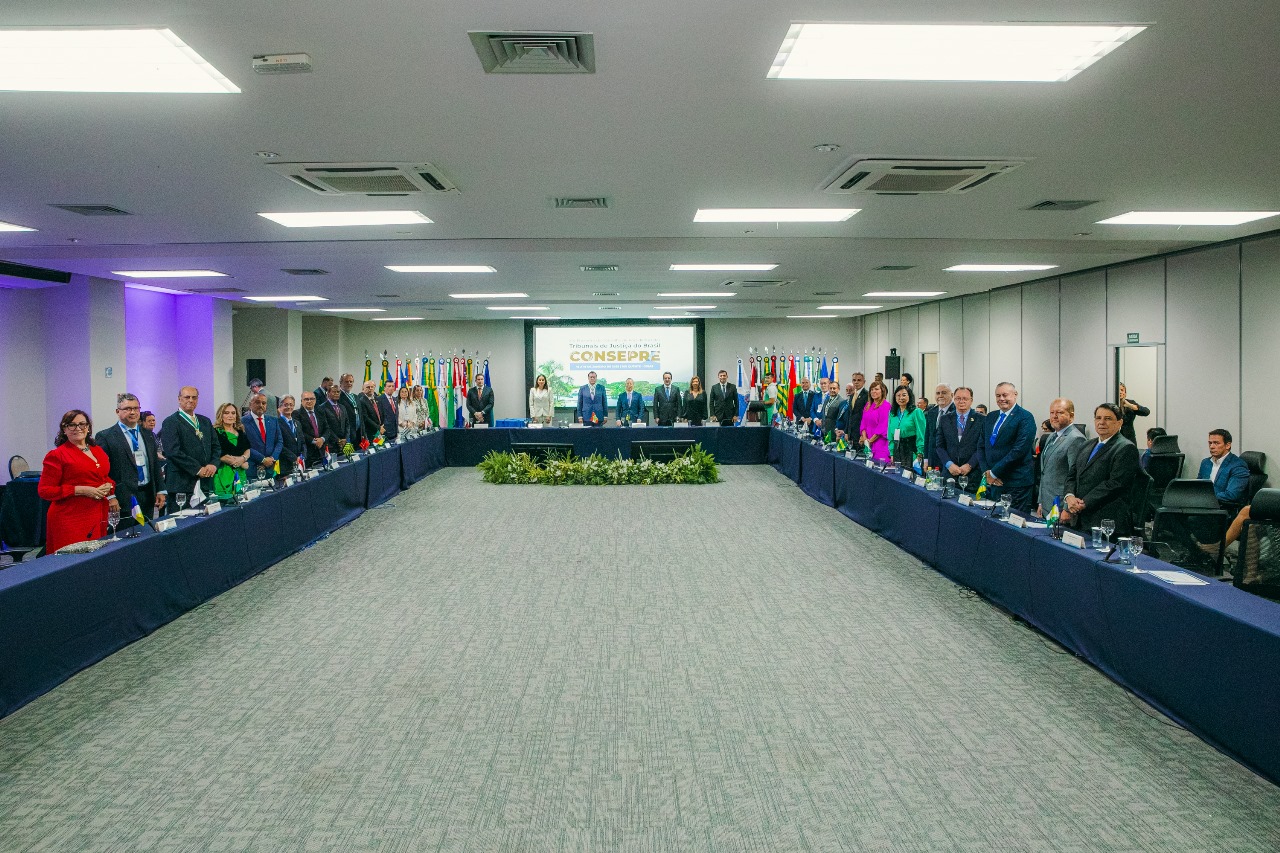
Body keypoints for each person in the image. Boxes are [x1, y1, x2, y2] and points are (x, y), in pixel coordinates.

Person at [39, 409, 117, 552]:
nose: (78, 428)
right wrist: (80, 490)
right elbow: (45, 490)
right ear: (64, 429)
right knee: (72, 562)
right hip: (70, 518)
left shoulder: (97, 450)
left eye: (82, 424)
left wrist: (109, 487)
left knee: (94, 558)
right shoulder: (57, 455)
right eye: (72, 425)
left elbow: (102, 476)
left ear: (88, 427)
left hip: (97, 512)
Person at [1062, 403, 1140, 535]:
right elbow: (1072, 475)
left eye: (1108, 418)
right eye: (1098, 418)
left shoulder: (1125, 448)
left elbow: (1115, 483)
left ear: (1119, 422)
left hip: (1106, 520)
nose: (1102, 422)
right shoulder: (1086, 445)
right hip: (1081, 518)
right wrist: (1069, 497)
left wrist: (1083, 503)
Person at [95, 393, 165, 528]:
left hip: (147, 494)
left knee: (145, 534)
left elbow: (155, 465)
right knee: (126, 538)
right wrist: (110, 496)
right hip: (122, 497)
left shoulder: (148, 434)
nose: (132, 412)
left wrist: (161, 490)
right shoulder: (106, 436)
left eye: (136, 408)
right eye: (127, 409)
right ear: (117, 411)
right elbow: (102, 471)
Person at [978, 382, 1037, 512]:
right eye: (998, 395)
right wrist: (987, 472)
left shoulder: (1025, 417)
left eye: (1005, 395)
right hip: (992, 481)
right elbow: (981, 446)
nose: (1001, 399)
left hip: (1016, 483)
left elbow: (1019, 450)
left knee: (1012, 525)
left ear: (1015, 395)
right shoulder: (990, 417)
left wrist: (994, 472)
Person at [161, 386, 217, 504]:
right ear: (179, 399)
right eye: (187, 397)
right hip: (181, 483)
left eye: (194, 397)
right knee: (182, 521)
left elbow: (216, 446)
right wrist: (197, 469)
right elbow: (173, 452)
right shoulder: (170, 422)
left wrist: (213, 464)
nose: (191, 400)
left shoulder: (205, 421)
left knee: (205, 520)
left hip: (205, 481)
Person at [1036, 399, 1085, 518]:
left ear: (1071, 416)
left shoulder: (1076, 439)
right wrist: (1041, 501)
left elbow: (1075, 476)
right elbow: (1045, 472)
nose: (1054, 416)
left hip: (1062, 506)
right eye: (1052, 413)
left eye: (1060, 412)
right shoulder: (1051, 436)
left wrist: (1067, 509)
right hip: (1047, 503)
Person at [935, 386, 984, 487]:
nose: (961, 401)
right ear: (954, 399)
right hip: (949, 474)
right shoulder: (945, 419)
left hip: (972, 476)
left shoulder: (982, 420)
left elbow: (982, 447)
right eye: (958, 398)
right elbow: (939, 446)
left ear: (971, 400)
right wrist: (949, 464)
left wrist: (970, 465)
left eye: (965, 398)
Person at [1198, 429, 1250, 510]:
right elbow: (1198, 486)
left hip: (1221, 509)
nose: (1211, 446)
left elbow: (1232, 495)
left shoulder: (1238, 466)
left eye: (1216, 443)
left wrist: (1205, 497)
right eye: (1210, 443)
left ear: (1227, 445)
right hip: (1201, 506)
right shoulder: (1206, 463)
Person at [212, 402, 250, 500]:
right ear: (221, 415)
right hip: (224, 473)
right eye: (226, 413)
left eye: (233, 413)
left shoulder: (240, 431)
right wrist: (240, 463)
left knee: (243, 500)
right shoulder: (215, 432)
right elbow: (220, 454)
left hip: (240, 474)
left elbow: (247, 450)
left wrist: (243, 458)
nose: (230, 416)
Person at [242, 392, 283, 479]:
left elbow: (279, 441)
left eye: (263, 403)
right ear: (250, 405)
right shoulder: (242, 422)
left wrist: (272, 458)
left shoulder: (273, 420)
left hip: (271, 468)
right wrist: (263, 459)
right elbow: (245, 446)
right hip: (252, 469)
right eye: (257, 402)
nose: (261, 405)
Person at [888, 386, 926, 465]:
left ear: (909, 396)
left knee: (910, 475)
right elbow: (890, 435)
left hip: (911, 450)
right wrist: (892, 453)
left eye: (904, 395)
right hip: (897, 449)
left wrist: (920, 453)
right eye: (898, 395)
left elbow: (921, 433)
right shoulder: (892, 414)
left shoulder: (916, 412)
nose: (901, 398)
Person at [922, 384, 954, 468]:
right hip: (932, 459)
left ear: (952, 395)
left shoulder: (956, 412)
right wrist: (926, 459)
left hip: (949, 461)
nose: (940, 396)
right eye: (938, 393)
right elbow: (927, 437)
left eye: (944, 393)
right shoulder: (931, 412)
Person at [294, 391, 328, 467]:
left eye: (312, 399)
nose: (309, 401)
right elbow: (300, 432)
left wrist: (322, 439)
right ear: (301, 401)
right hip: (308, 452)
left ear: (315, 400)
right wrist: (314, 441)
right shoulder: (296, 414)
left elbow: (327, 429)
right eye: (306, 399)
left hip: (321, 450)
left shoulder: (320, 412)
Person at [860, 380, 891, 462]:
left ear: (882, 391)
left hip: (880, 443)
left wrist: (870, 441)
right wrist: (865, 439)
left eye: (876, 389)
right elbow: (863, 423)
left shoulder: (886, 406)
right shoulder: (868, 405)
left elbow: (882, 426)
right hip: (867, 442)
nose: (873, 391)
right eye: (872, 389)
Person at [835, 373, 868, 447]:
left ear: (864, 382)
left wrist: (863, 434)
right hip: (850, 433)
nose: (856, 382)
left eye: (859, 380)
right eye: (854, 380)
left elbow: (866, 417)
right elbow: (849, 415)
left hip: (860, 433)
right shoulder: (852, 396)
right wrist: (846, 432)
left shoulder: (867, 395)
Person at [319, 385, 351, 454]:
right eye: (334, 392)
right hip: (331, 444)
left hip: (344, 443)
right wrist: (338, 440)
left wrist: (345, 438)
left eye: (338, 392)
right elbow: (326, 427)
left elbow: (347, 424)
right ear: (328, 393)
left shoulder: (342, 407)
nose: (336, 394)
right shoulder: (322, 408)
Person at [277, 395, 304, 476]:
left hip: (299, 464)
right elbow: (279, 445)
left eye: (291, 405)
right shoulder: (276, 423)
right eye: (286, 405)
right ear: (280, 407)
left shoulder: (297, 423)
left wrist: (302, 456)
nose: (289, 407)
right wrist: (294, 458)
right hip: (285, 466)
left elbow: (303, 442)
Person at [337, 373, 362, 443]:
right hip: (347, 433)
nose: (349, 383)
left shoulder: (356, 397)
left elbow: (360, 415)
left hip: (358, 432)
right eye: (346, 381)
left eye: (351, 381)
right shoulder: (338, 397)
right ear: (341, 383)